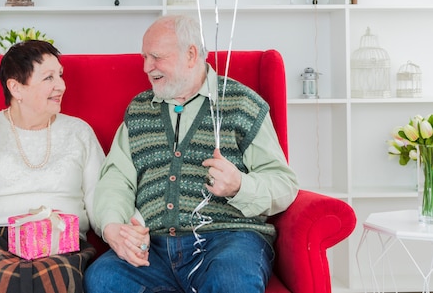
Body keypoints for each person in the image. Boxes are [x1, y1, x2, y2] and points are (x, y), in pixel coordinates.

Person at [84, 15, 299, 293]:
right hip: (155, 248)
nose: (147, 67)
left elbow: (284, 183)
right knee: (102, 278)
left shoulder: (242, 103)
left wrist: (239, 186)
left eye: (156, 57)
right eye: (144, 58)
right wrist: (113, 227)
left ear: (190, 54)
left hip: (228, 240)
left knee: (230, 281)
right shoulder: (139, 110)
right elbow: (116, 179)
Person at [0, 40, 105, 293]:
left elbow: (101, 198)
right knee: (0, 279)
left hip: (59, 240)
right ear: (16, 88)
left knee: (57, 277)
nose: (62, 85)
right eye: (48, 78)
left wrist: (122, 228)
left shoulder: (79, 131)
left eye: (60, 75)